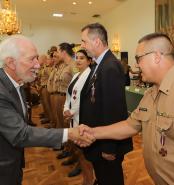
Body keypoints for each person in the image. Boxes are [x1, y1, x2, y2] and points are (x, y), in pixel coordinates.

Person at [79, 33, 174, 185]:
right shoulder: (151, 94)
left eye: (138, 58)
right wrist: (93, 133)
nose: (136, 65)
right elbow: (130, 125)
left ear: (156, 56)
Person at [0, 35, 93, 185]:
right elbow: (20, 134)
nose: (38, 65)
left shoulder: (15, 84)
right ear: (11, 62)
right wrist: (69, 133)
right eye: (32, 59)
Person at [80, 23, 133, 185]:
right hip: (98, 138)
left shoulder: (110, 66)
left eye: (84, 41)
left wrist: (109, 147)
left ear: (96, 41)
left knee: (111, 179)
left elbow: (114, 110)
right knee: (103, 178)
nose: (82, 46)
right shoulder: (99, 64)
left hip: (106, 142)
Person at [63, 49, 94, 184]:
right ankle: (84, 173)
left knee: (84, 149)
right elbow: (69, 95)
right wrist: (66, 108)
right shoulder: (76, 75)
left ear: (89, 61)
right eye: (77, 58)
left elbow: (84, 99)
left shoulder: (90, 76)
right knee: (78, 147)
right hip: (73, 116)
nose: (78, 60)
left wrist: (72, 112)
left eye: (82, 58)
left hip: (82, 117)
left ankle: (89, 178)